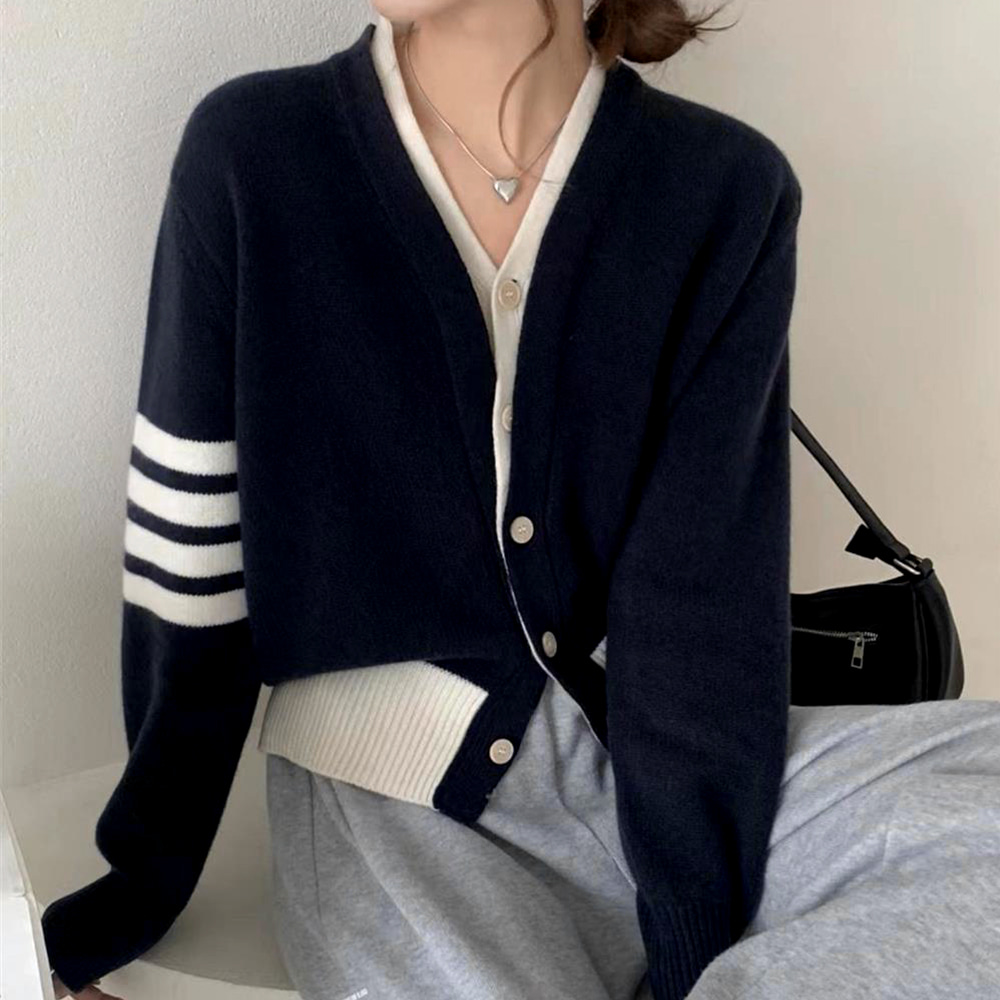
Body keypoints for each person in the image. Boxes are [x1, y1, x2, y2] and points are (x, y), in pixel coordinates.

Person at [44, 2, 1000, 999]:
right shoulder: (258, 153)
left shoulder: (719, 188)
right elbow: (190, 564)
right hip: (403, 808)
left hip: (660, 765)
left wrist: (692, 937)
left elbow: (700, 598)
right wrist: (125, 898)